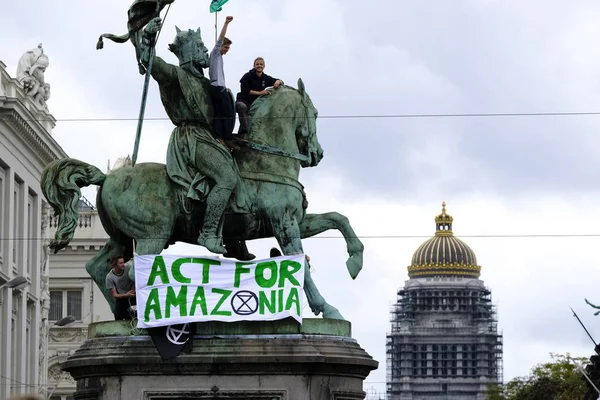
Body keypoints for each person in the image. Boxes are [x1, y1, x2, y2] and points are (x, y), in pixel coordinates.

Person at [138, 17, 248, 254]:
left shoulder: (207, 82)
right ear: (188, 50)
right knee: (226, 178)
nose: (205, 50)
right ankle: (208, 233)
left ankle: (233, 237)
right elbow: (150, 61)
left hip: (208, 137)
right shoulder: (175, 75)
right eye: (200, 47)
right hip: (191, 138)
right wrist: (147, 38)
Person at [209, 16, 237, 150]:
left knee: (220, 113)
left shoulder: (219, 58)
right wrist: (226, 23)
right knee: (229, 112)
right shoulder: (215, 53)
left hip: (219, 88)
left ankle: (221, 137)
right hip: (217, 88)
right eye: (226, 47)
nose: (227, 50)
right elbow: (220, 37)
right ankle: (227, 137)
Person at [236, 57, 283, 135]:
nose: (259, 66)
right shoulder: (247, 76)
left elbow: (277, 80)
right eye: (257, 64)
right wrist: (260, 93)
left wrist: (278, 81)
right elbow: (246, 91)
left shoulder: (265, 78)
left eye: (261, 64)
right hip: (243, 101)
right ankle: (243, 133)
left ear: (264, 66)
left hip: (256, 104)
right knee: (242, 107)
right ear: (254, 66)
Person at [105, 255, 136, 320]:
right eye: (120, 263)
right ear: (115, 265)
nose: (123, 265)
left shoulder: (128, 268)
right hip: (122, 297)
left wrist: (132, 290)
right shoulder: (109, 277)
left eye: (123, 262)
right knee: (118, 313)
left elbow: (133, 280)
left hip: (132, 294)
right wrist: (126, 295)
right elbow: (115, 294)